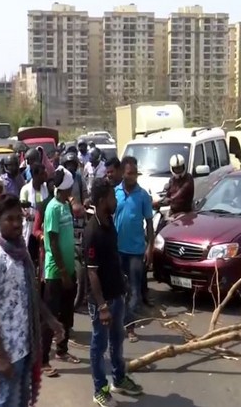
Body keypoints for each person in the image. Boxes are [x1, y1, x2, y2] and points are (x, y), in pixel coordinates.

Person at [0, 194, 64, 407]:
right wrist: (0, 354)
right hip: (7, 349)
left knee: (22, 400)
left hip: (26, 343)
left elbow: (30, 293)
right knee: (8, 401)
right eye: (10, 219)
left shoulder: (20, 250)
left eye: (19, 217)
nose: (17, 223)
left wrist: (51, 320)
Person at [85, 178, 142, 407]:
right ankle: (100, 389)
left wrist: (123, 282)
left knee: (117, 341)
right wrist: (102, 306)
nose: (115, 199)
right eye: (111, 196)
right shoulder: (92, 232)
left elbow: (112, 259)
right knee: (99, 347)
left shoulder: (109, 222)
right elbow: (92, 273)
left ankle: (119, 378)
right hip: (102, 302)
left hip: (117, 295)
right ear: (101, 201)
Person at [41, 166, 80, 376]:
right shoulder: (53, 208)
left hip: (68, 271)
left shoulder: (65, 205)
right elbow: (53, 243)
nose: (71, 190)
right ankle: (43, 360)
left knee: (66, 315)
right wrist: (64, 272)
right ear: (63, 188)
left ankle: (62, 350)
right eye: (70, 187)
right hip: (56, 273)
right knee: (50, 317)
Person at [114, 156, 153, 343]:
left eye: (135, 174)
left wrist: (150, 247)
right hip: (117, 250)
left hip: (136, 251)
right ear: (122, 173)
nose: (133, 177)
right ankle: (121, 324)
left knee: (135, 292)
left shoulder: (143, 195)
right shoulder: (114, 193)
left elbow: (150, 223)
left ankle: (130, 327)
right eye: (130, 174)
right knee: (119, 290)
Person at [20, 164, 49, 255]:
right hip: (30, 226)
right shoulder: (25, 189)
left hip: (43, 227)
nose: (45, 175)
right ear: (35, 175)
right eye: (42, 173)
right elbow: (22, 207)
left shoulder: (46, 188)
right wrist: (25, 213)